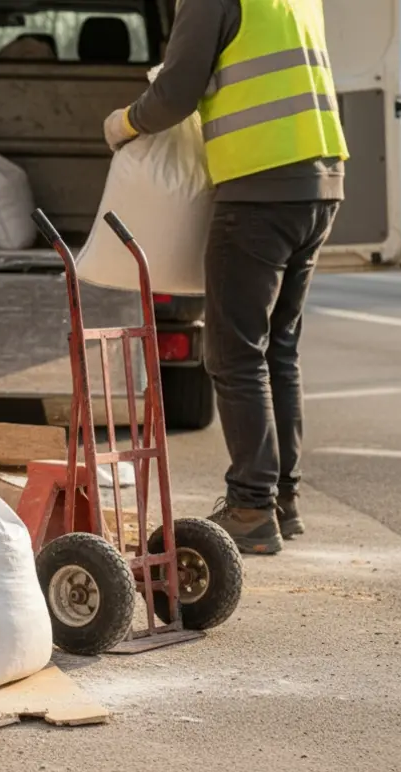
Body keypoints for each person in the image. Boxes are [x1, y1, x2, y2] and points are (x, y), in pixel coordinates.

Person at [101, 0, 348, 555]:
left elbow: (175, 94)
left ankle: (250, 507)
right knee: (276, 349)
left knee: (235, 353)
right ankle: (282, 500)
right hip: (321, 183)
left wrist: (122, 123)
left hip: (259, 191)